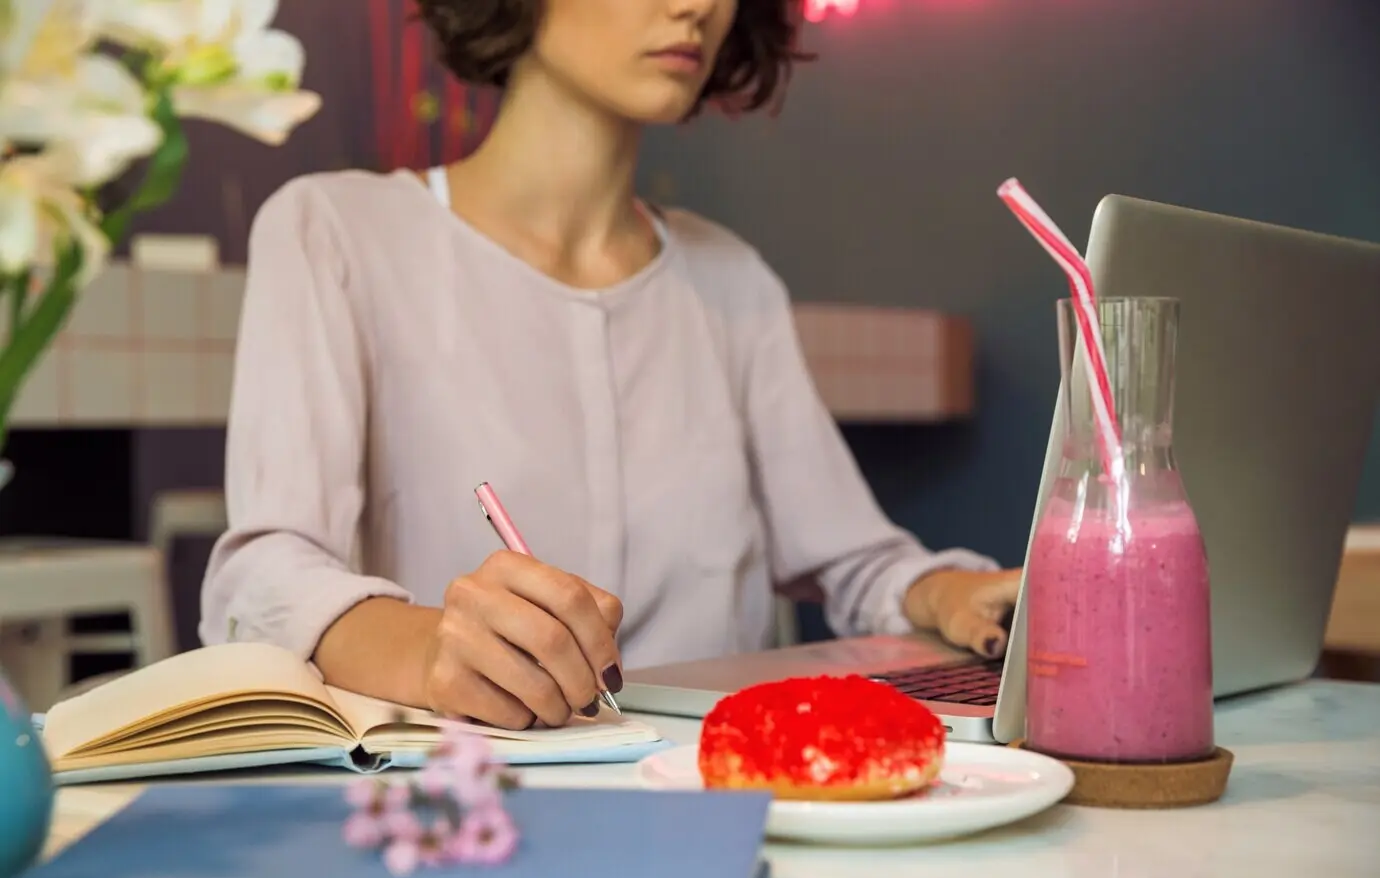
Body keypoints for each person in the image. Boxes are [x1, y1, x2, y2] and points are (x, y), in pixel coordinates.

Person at [201, 0, 1021, 731]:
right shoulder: (336, 232)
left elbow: (855, 556)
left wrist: (945, 593)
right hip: (466, 809)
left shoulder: (732, 281)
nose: (698, 8)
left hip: (717, 797)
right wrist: (427, 652)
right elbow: (259, 579)